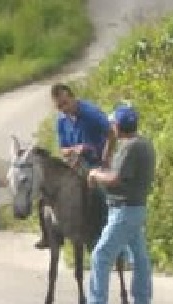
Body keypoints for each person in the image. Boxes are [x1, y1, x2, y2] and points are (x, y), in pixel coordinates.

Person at [74, 105, 155, 304]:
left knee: (101, 254)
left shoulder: (129, 147)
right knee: (139, 257)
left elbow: (117, 180)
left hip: (124, 210)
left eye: (113, 124)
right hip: (135, 208)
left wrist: (95, 174)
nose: (111, 127)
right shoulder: (144, 144)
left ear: (118, 126)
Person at [35, 83, 117, 249]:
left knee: (101, 196)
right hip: (73, 163)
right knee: (45, 193)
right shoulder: (61, 121)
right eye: (59, 106)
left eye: (65, 103)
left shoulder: (90, 113)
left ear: (73, 98)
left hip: (94, 162)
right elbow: (63, 149)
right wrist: (74, 150)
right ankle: (50, 236)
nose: (63, 108)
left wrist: (105, 158)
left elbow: (111, 133)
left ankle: (108, 237)